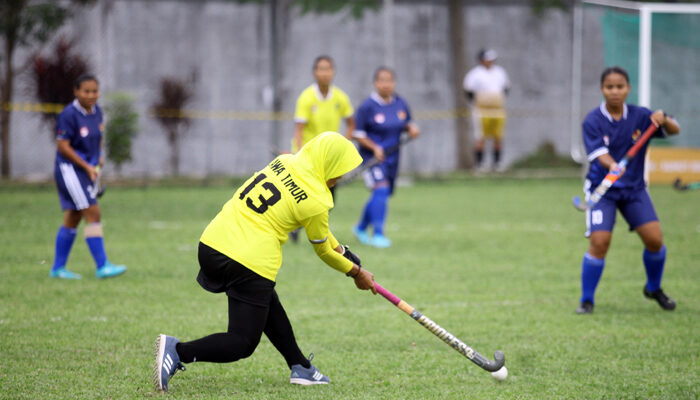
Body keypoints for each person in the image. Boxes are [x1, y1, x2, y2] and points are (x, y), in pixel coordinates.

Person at [153, 132, 377, 392]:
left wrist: (341, 249)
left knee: (267, 302)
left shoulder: (285, 161)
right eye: (340, 170)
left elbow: (321, 232)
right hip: (248, 260)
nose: (340, 178)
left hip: (212, 244)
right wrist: (356, 272)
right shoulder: (317, 199)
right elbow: (323, 250)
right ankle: (178, 351)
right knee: (242, 342)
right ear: (329, 164)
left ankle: (301, 366)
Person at [576, 66, 680, 314]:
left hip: (634, 190)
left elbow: (675, 130)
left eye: (619, 86)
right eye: (609, 87)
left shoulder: (641, 116)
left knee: (655, 240)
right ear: (602, 89)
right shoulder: (593, 120)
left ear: (628, 89)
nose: (614, 91)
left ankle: (653, 288)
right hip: (604, 190)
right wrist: (614, 165)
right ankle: (586, 300)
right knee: (600, 242)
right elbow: (600, 155)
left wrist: (663, 117)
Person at [49, 74, 126, 280]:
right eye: (86, 91)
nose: (92, 95)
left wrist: (98, 158)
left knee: (73, 216)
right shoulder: (69, 114)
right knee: (93, 211)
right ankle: (102, 266)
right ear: (76, 91)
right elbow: (63, 146)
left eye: (95, 91)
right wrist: (85, 165)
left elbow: (97, 139)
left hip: (87, 170)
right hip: (70, 170)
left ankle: (57, 269)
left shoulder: (97, 112)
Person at [289, 55, 355, 242]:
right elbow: (299, 129)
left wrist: (343, 145)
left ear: (333, 72)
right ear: (314, 72)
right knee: (308, 195)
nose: (325, 73)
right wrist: (298, 154)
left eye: (328, 69)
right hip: (309, 156)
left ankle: (305, 227)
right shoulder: (306, 97)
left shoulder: (340, 97)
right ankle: (306, 230)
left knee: (329, 200)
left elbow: (351, 123)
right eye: (321, 69)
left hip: (329, 158)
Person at [352, 67, 420, 248]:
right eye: (381, 80)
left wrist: (412, 129)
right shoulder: (367, 107)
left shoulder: (400, 103)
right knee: (381, 189)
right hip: (372, 159)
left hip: (393, 158)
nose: (385, 84)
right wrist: (374, 148)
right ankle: (378, 234)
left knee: (382, 193)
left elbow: (407, 123)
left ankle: (360, 228)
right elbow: (358, 134)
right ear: (375, 83)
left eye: (389, 80)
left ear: (394, 82)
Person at [463, 49, 510, 172]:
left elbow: (506, 89)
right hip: (481, 110)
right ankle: (480, 164)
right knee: (480, 137)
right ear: (482, 60)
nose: (490, 62)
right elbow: (468, 92)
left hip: (498, 109)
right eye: (487, 59)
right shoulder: (475, 74)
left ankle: (497, 164)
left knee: (498, 137)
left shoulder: (500, 72)